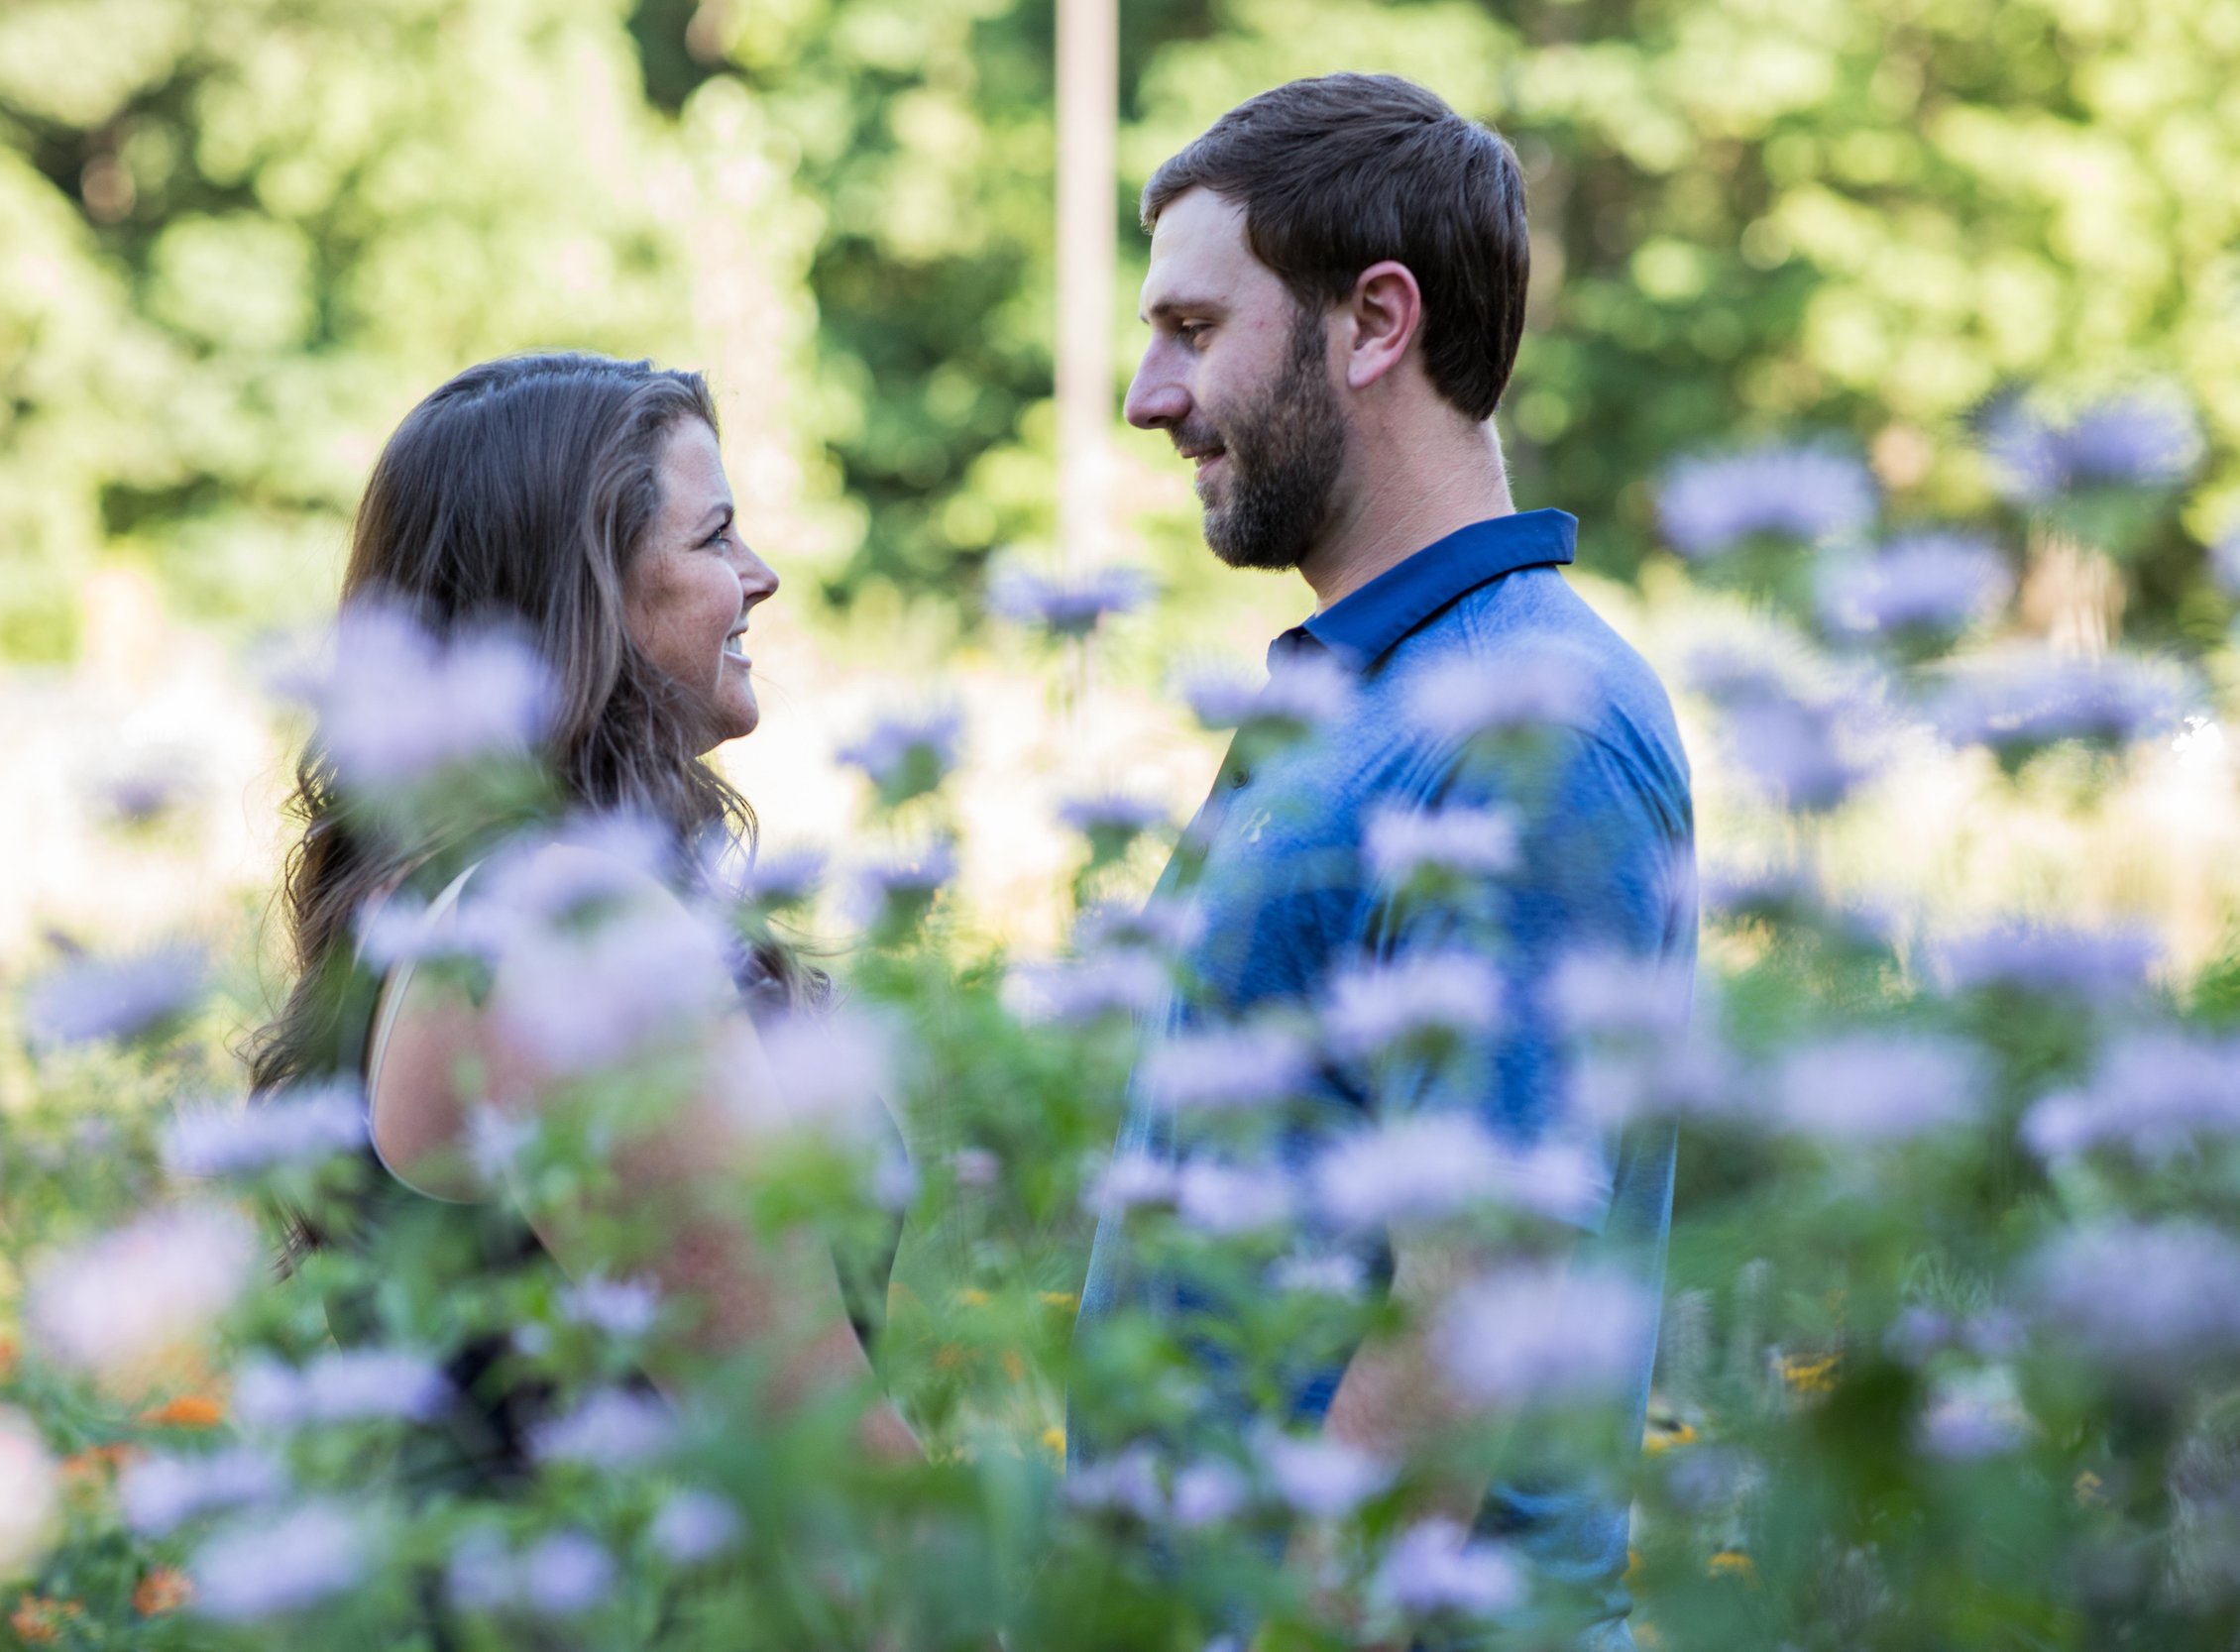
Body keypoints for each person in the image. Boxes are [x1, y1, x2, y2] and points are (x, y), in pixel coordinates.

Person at [1070, 74, 1693, 1648]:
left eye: (1195, 330)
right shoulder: (1361, 692)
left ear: (1372, 324)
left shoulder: (1526, 724)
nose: (1148, 396)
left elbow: (1467, 1294)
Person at [249, 352, 916, 1489]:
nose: (760, 577)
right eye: (713, 539)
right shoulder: (566, 930)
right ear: (582, 598)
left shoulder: (462, 900)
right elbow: (806, 1440)